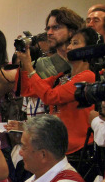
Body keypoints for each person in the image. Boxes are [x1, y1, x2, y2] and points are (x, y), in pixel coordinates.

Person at [18, 28, 100, 156]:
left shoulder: (88, 76)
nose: (69, 47)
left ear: (89, 49)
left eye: (75, 43)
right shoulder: (63, 76)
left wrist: (29, 66)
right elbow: (28, 90)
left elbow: (51, 97)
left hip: (79, 150)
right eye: (70, 43)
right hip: (59, 148)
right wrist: (24, 63)